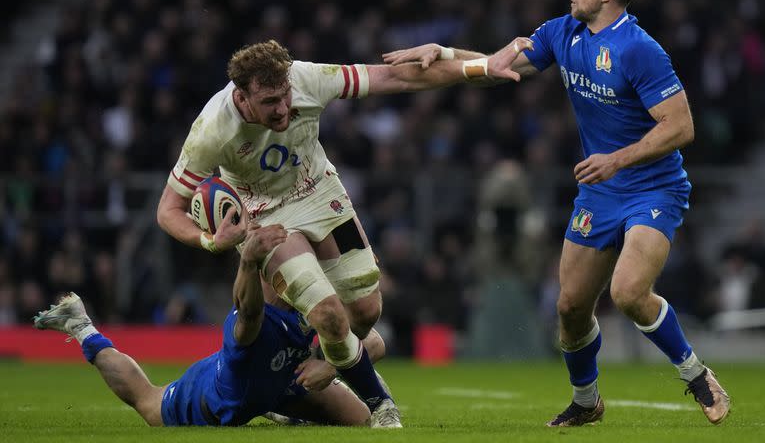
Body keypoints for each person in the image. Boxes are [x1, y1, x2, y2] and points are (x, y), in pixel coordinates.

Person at [383, 0, 730, 427]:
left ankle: (695, 374)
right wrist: (442, 53)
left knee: (629, 292)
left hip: (652, 188)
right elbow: (498, 67)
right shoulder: (560, 32)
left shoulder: (638, 48)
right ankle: (586, 402)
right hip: (599, 192)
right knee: (569, 307)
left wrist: (617, 159)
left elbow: (680, 126)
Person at [156, 38, 531, 426]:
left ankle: (311, 372)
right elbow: (168, 210)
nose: (284, 108)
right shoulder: (213, 129)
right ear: (243, 96)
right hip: (264, 214)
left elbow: (396, 78)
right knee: (328, 314)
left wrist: (480, 66)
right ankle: (381, 405)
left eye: (285, 95)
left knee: (367, 313)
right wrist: (209, 241)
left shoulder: (306, 78)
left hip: (322, 195)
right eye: (270, 102)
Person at [33, 222, 385, 427]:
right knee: (148, 403)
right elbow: (247, 312)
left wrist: (329, 365)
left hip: (287, 386)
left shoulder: (315, 305)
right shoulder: (252, 323)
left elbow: (375, 343)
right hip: (213, 398)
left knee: (364, 423)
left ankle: (281, 410)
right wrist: (247, 261)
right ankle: (82, 327)